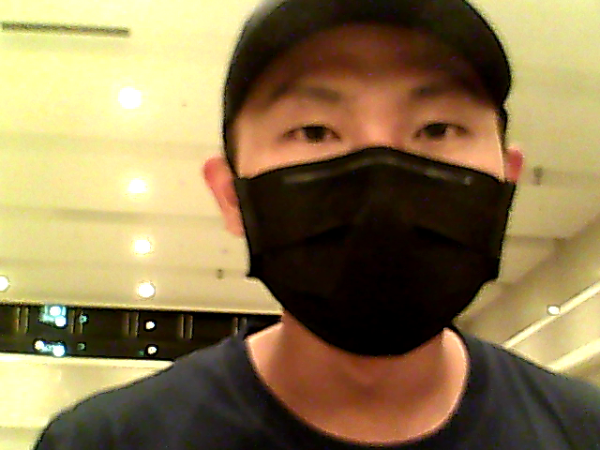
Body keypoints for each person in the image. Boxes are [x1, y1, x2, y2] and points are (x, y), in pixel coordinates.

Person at [35, 0, 600, 448]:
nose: (381, 185)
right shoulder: (107, 441)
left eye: (436, 128)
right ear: (232, 197)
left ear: (506, 182)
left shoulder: (584, 431)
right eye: (314, 131)